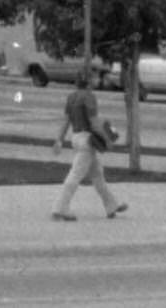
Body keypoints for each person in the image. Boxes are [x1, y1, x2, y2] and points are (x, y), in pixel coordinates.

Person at [49, 67, 128, 221]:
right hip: (87, 140)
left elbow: (66, 121)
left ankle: (111, 205)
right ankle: (60, 208)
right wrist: (106, 139)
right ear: (89, 81)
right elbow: (93, 122)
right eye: (94, 78)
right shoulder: (90, 97)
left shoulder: (71, 97)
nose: (96, 80)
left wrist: (59, 139)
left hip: (76, 137)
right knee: (76, 174)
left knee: (97, 174)